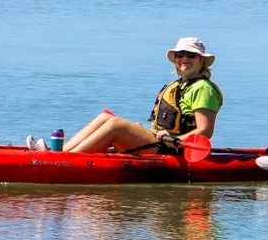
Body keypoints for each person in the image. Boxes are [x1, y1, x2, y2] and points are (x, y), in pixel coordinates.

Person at [39, 37, 223, 154]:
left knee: (116, 124)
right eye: (180, 55)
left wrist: (169, 139)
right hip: (160, 140)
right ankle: (60, 153)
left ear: (201, 61)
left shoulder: (202, 89)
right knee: (106, 117)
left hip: (175, 149)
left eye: (191, 55)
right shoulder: (179, 85)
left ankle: (67, 160)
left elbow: (204, 132)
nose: (184, 59)